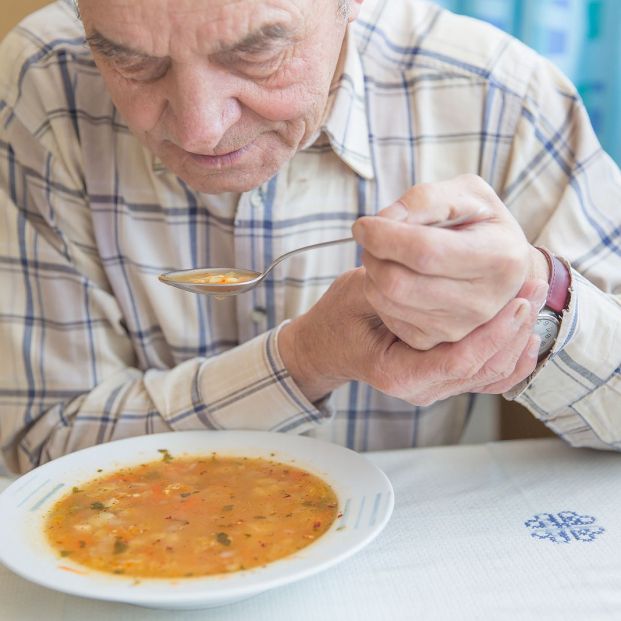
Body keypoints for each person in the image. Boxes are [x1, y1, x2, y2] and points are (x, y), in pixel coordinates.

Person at [0, 0, 619, 474]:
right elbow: (39, 442)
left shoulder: (495, 92)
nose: (200, 129)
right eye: (132, 62)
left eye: (256, 53)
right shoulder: (42, 84)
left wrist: (539, 301)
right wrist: (304, 360)